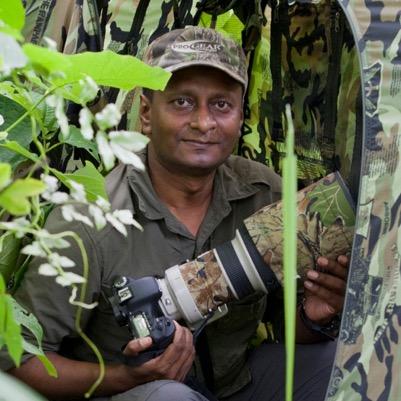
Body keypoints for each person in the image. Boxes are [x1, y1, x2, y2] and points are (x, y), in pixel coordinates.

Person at [1, 27, 349, 401]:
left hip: (234, 384)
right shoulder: (90, 220)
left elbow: (286, 326)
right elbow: (18, 362)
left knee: (339, 364)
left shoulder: (263, 193)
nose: (203, 123)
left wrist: (316, 314)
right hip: (130, 393)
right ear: (147, 114)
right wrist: (124, 377)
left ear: (240, 115)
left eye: (221, 105)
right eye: (182, 102)